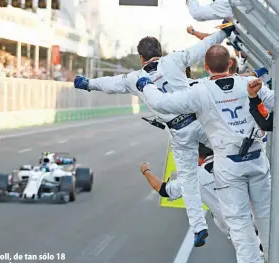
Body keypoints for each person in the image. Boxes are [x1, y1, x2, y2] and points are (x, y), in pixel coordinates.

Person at [74, 27, 234, 247]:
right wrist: (224, 33)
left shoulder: (135, 78)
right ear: (160, 51)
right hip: (198, 121)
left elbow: (111, 84)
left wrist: (88, 84)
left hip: (178, 132)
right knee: (229, 146)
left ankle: (199, 228)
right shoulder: (174, 60)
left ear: (141, 57)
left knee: (188, 180)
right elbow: (202, 48)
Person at [136, 44, 273, 263]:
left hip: (230, 165)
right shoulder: (249, 83)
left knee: (240, 223)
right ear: (230, 64)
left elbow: (163, 103)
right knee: (267, 218)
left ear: (206, 68)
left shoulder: (200, 91)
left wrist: (146, 85)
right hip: (257, 160)